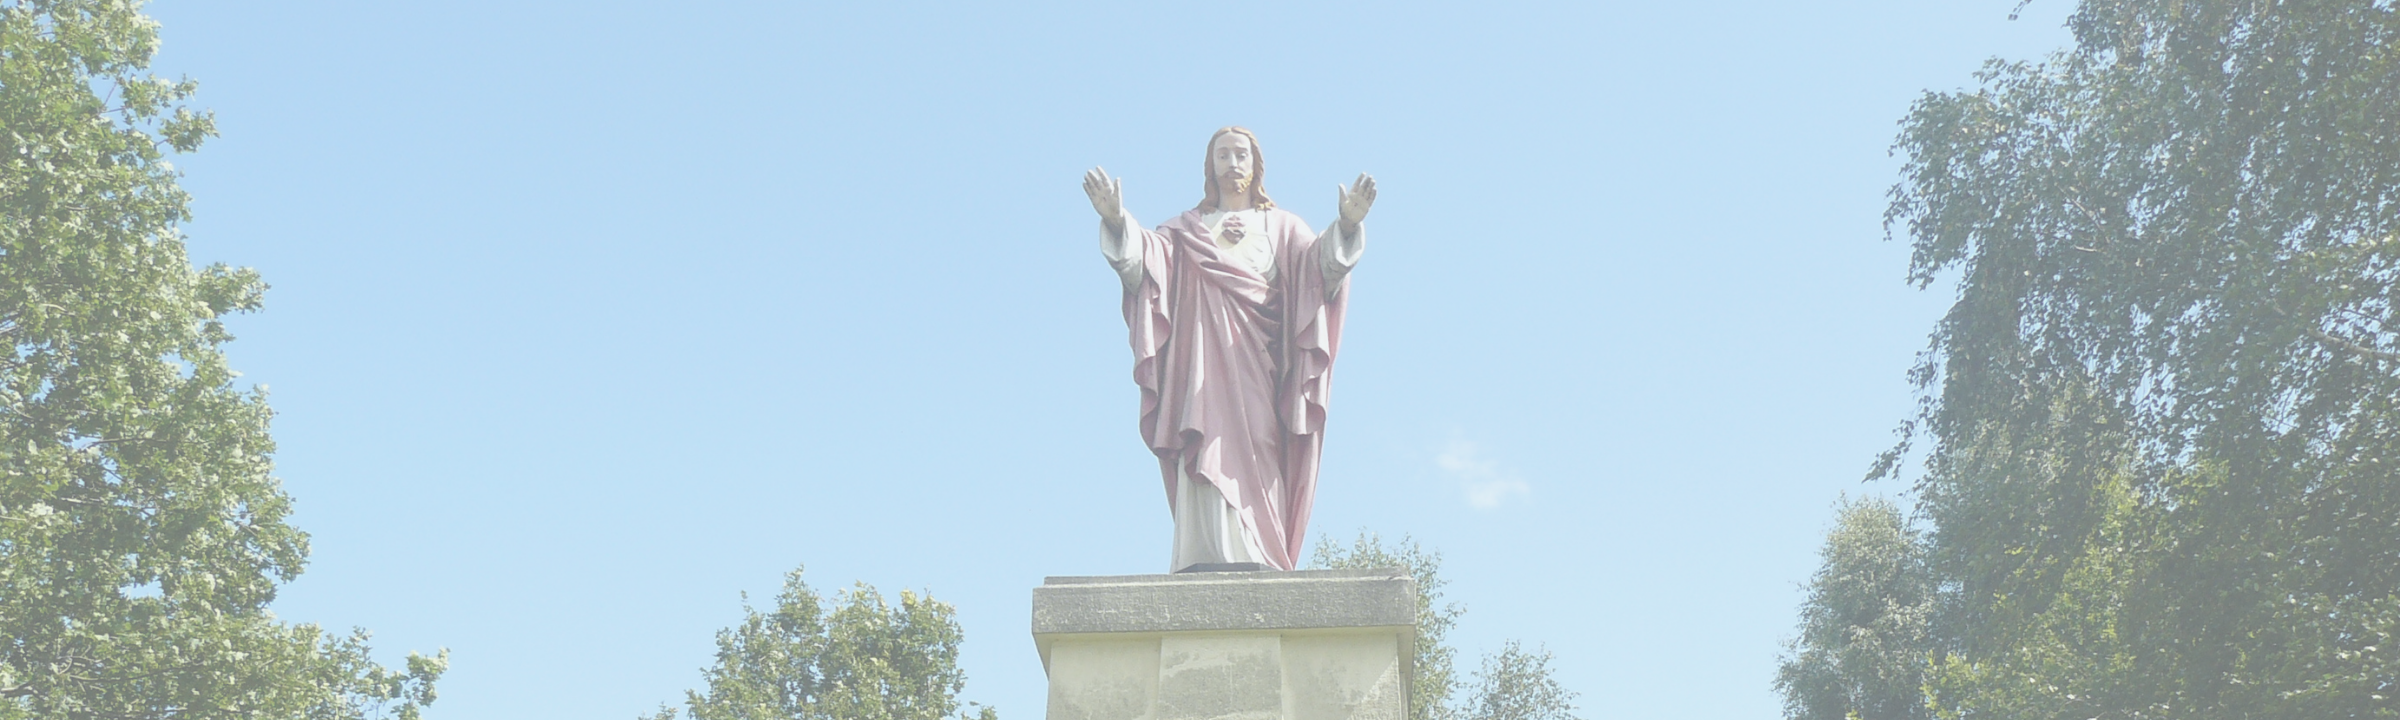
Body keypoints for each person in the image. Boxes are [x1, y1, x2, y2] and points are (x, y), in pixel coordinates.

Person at [1081, 126, 1377, 572]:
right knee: (1202, 441)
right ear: (1210, 166)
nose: (1232, 163)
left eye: (1241, 155)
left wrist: (1347, 226)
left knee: (1258, 442)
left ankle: (1260, 552)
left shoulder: (1282, 227)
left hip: (1259, 364)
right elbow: (1145, 266)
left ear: (1256, 165)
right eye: (1222, 155)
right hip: (1199, 366)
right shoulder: (1183, 231)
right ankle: (1203, 554)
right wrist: (1118, 222)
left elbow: (1319, 273)